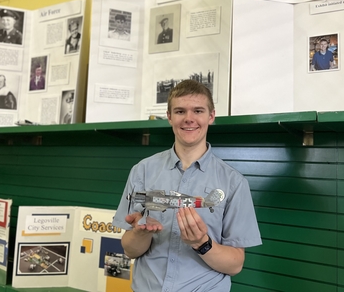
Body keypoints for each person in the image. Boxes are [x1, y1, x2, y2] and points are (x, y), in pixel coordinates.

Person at [112, 79, 262, 291]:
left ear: (211, 116)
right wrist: (141, 232)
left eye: (198, 111)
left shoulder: (234, 182)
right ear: (169, 116)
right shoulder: (142, 171)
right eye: (180, 111)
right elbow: (130, 250)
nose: (189, 119)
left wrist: (202, 242)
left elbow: (236, 264)